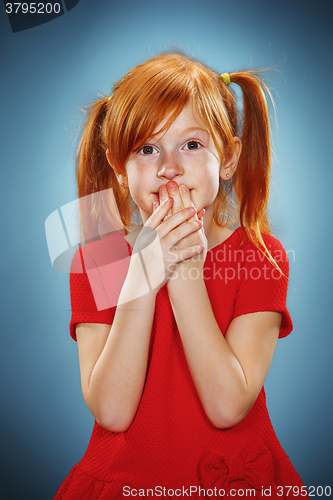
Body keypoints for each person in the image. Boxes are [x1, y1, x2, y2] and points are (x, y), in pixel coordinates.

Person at [54, 51, 308, 499]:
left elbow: (227, 405)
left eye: (191, 145)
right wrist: (144, 274)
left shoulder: (261, 256)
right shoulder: (99, 259)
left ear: (227, 158)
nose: (169, 167)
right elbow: (112, 410)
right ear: (119, 166)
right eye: (147, 149)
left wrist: (186, 274)